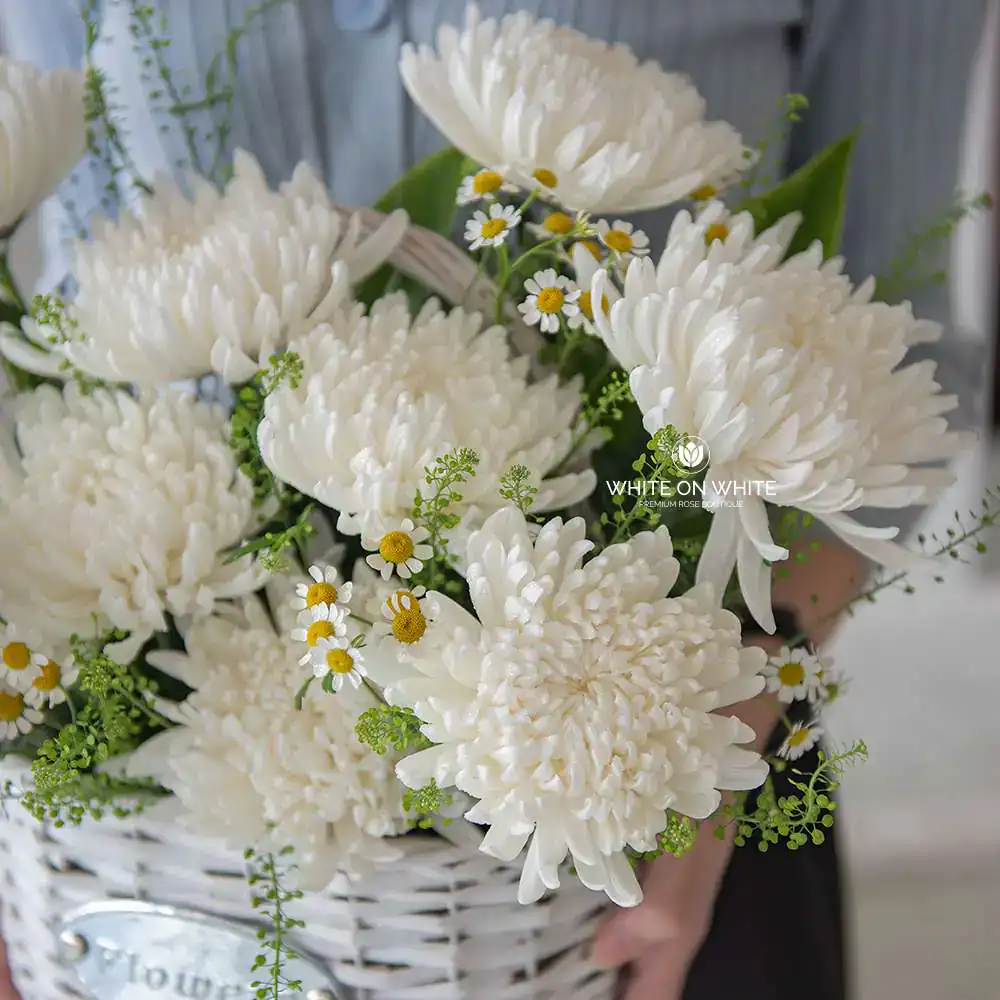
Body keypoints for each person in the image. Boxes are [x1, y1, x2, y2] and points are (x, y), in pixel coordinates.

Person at [0, 2, 988, 998]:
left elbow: (909, 366)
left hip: (677, 778)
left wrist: (734, 708)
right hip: (138, 833)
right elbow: (76, 287)